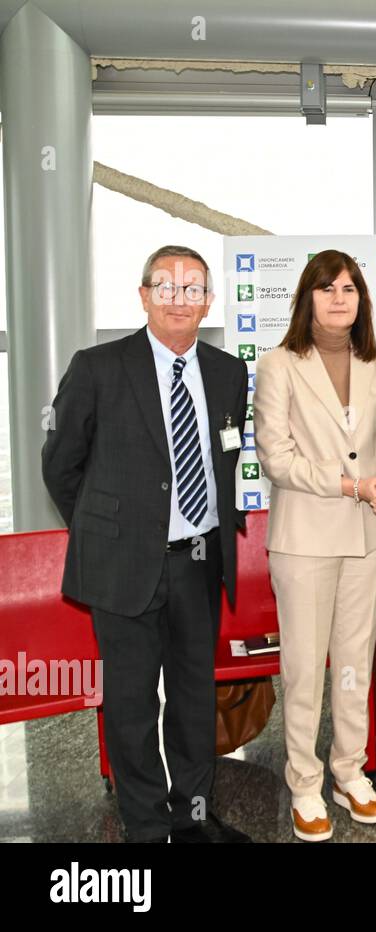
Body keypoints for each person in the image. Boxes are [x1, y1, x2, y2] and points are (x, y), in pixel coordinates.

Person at [42, 245, 249, 843]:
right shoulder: (98, 367)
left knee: (192, 696)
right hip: (122, 566)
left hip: (200, 562)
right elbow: (61, 465)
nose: (179, 299)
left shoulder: (227, 372)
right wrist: (108, 531)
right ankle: (147, 826)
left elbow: (223, 460)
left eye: (192, 289)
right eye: (166, 286)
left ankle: (194, 816)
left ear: (208, 300)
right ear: (143, 295)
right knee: (131, 702)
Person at [253, 249, 376, 841]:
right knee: (304, 669)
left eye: (349, 288)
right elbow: (278, 458)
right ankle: (303, 781)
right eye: (327, 288)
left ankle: (349, 771)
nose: (339, 298)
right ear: (307, 297)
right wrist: (352, 485)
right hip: (304, 539)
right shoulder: (278, 365)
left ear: (361, 299)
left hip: (369, 537)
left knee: (352, 664)